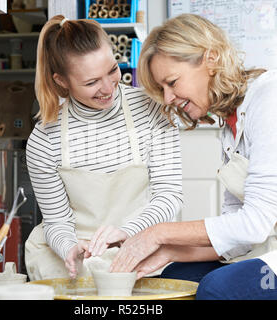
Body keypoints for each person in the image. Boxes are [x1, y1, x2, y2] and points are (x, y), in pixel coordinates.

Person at [109, 13, 277, 300]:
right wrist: (169, 252)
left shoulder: (273, 103)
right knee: (175, 276)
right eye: (162, 89)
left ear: (211, 60)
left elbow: (254, 224)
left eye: (172, 82)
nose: (168, 98)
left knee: (217, 289)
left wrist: (157, 234)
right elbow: (236, 235)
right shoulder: (231, 129)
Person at [24, 15, 183, 280]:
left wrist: (127, 231)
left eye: (112, 70)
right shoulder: (44, 139)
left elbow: (169, 196)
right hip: (75, 259)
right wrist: (69, 247)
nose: (108, 88)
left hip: (142, 247)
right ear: (62, 81)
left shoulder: (153, 110)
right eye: (91, 82)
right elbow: (57, 221)